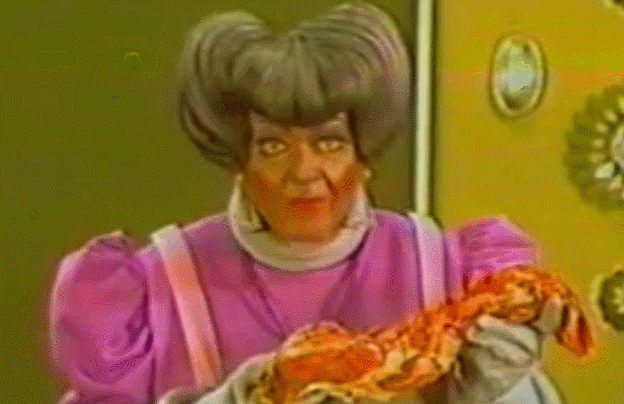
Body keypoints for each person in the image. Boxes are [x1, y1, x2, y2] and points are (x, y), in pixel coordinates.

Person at [49, 2, 565, 404]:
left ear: (364, 153)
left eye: (329, 143)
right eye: (273, 146)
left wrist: (497, 394)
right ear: (238, 158)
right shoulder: (153, 290)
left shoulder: (451, 274)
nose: (303, 172)